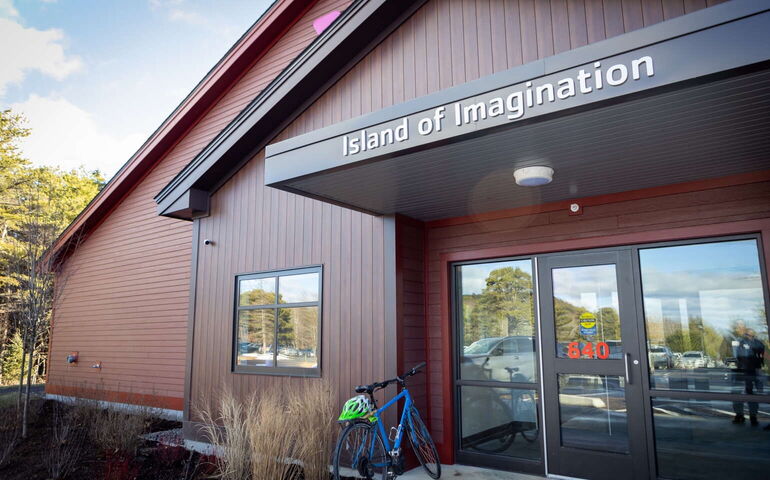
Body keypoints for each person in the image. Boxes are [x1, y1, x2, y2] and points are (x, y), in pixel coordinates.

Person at [731, 328, 765, 426]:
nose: (748, 336)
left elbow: (760, 357)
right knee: (746, 394)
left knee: (747, 393)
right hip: (747, 371)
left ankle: (748, 416)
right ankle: (749, 416)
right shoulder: (756, 343)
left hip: (748, 371)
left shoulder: (751, 343)